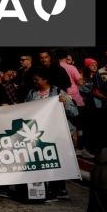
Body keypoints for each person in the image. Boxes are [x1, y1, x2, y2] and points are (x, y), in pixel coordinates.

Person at [25, 66, 78, 201]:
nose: (35, 82)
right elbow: (25, 110)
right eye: (33, 80)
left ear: (45, 79)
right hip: (39, 134)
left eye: (37, 80)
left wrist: (65, 103)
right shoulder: (32, 93)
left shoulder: (60, 93)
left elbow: (75, 112)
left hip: (58, 134)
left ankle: (59, 189)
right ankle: (43, 191)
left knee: (57, 160)